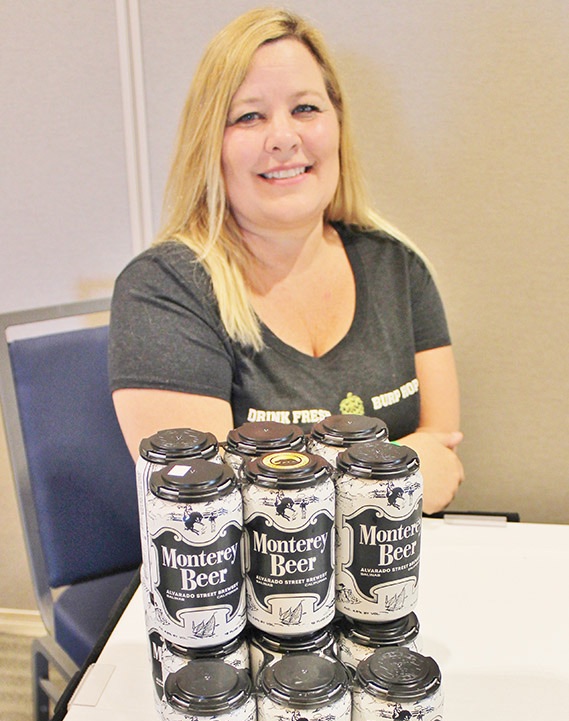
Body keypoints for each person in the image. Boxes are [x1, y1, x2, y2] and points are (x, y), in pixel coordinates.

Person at [109, 7, 464, 515]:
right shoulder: (164, 288)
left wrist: (413, 471)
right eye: (249, 116)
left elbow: (442, 454)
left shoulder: (398, 268)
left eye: (305, 109)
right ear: (211, 144)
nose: (283, 137)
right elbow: (205, 507)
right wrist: (399, 474)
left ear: (337, 124)